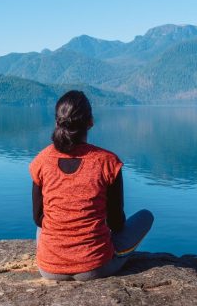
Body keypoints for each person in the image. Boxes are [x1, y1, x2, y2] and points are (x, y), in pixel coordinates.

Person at [29, 90, 154, 281]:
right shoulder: (107, 162)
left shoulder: (41, 160)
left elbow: (39, 219)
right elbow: (116, 223)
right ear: (90, 122)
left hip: (49, 268)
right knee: (146, 216)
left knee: (43, 226)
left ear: (57, 122)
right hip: (96, 267)